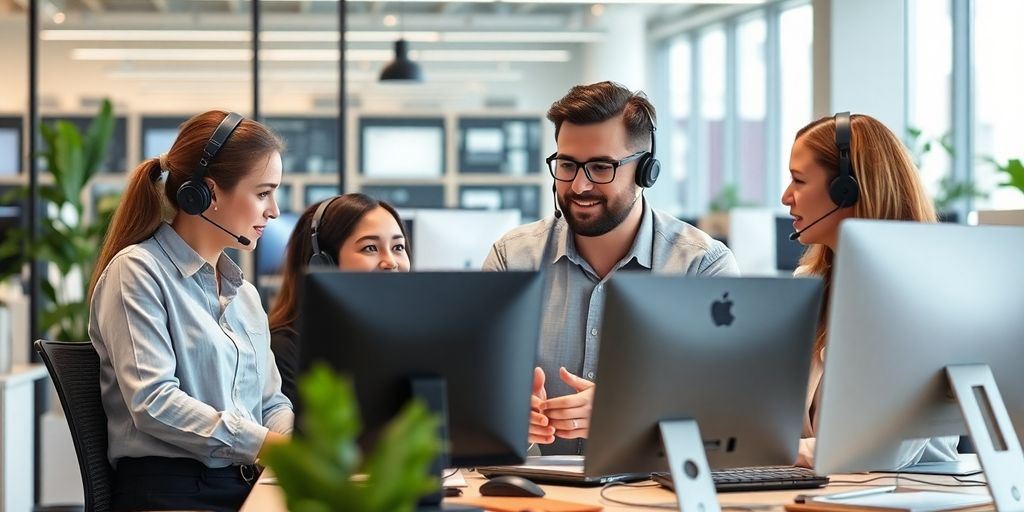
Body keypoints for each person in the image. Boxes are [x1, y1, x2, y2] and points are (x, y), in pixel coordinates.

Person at [483, 81, 739, 455]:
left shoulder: (701, 267)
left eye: (601, 167)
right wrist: (504, 416)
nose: (579, 185)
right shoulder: (512, 259)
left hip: (653, 497)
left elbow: (729, 410)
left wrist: (630, 412)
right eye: (567, 165)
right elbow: (473, 395)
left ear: (645, 172)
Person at [88, 111, 293, 511]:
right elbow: (154, 402)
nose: (274, 211)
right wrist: (268, 446)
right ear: (208, 194)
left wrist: (297, 448)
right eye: (263, 193)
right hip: (173, 493)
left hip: (244, 484)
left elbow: (271, 403)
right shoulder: (138, 271)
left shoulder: (245, 296)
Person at [782, 112, 959, 469]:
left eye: (799, 181)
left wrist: (779, 451)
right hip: (819, 492)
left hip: (913, 496)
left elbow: (885, 451)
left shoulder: (921, 299)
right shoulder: (808, 288)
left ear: (845, 190)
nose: (786, 197)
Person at [268, 193, 411, 402]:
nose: (391, 262)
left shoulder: (407, 341)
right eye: (370, 248)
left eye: (398, 247)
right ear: (324, 265)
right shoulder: (285, 351)